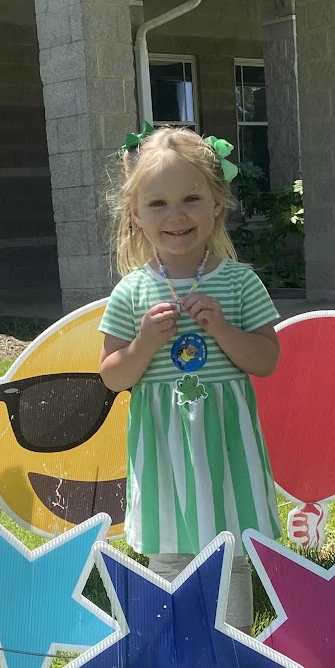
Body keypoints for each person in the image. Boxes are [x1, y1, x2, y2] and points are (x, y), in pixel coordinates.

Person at [99, 124, 281, 630]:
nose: (176, 216)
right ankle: (174, 650)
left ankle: (233, 649)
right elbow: (112, 376)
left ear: (217, 202)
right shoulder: (131, 292)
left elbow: (266, 359)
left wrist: (221, 328)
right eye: (157, 203)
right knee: (169, 552)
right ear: (135, 213)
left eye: (191, 199)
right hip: (164, 449)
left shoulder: (240, 283)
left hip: (225, 445)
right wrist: (143, 344)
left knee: (231, 551)